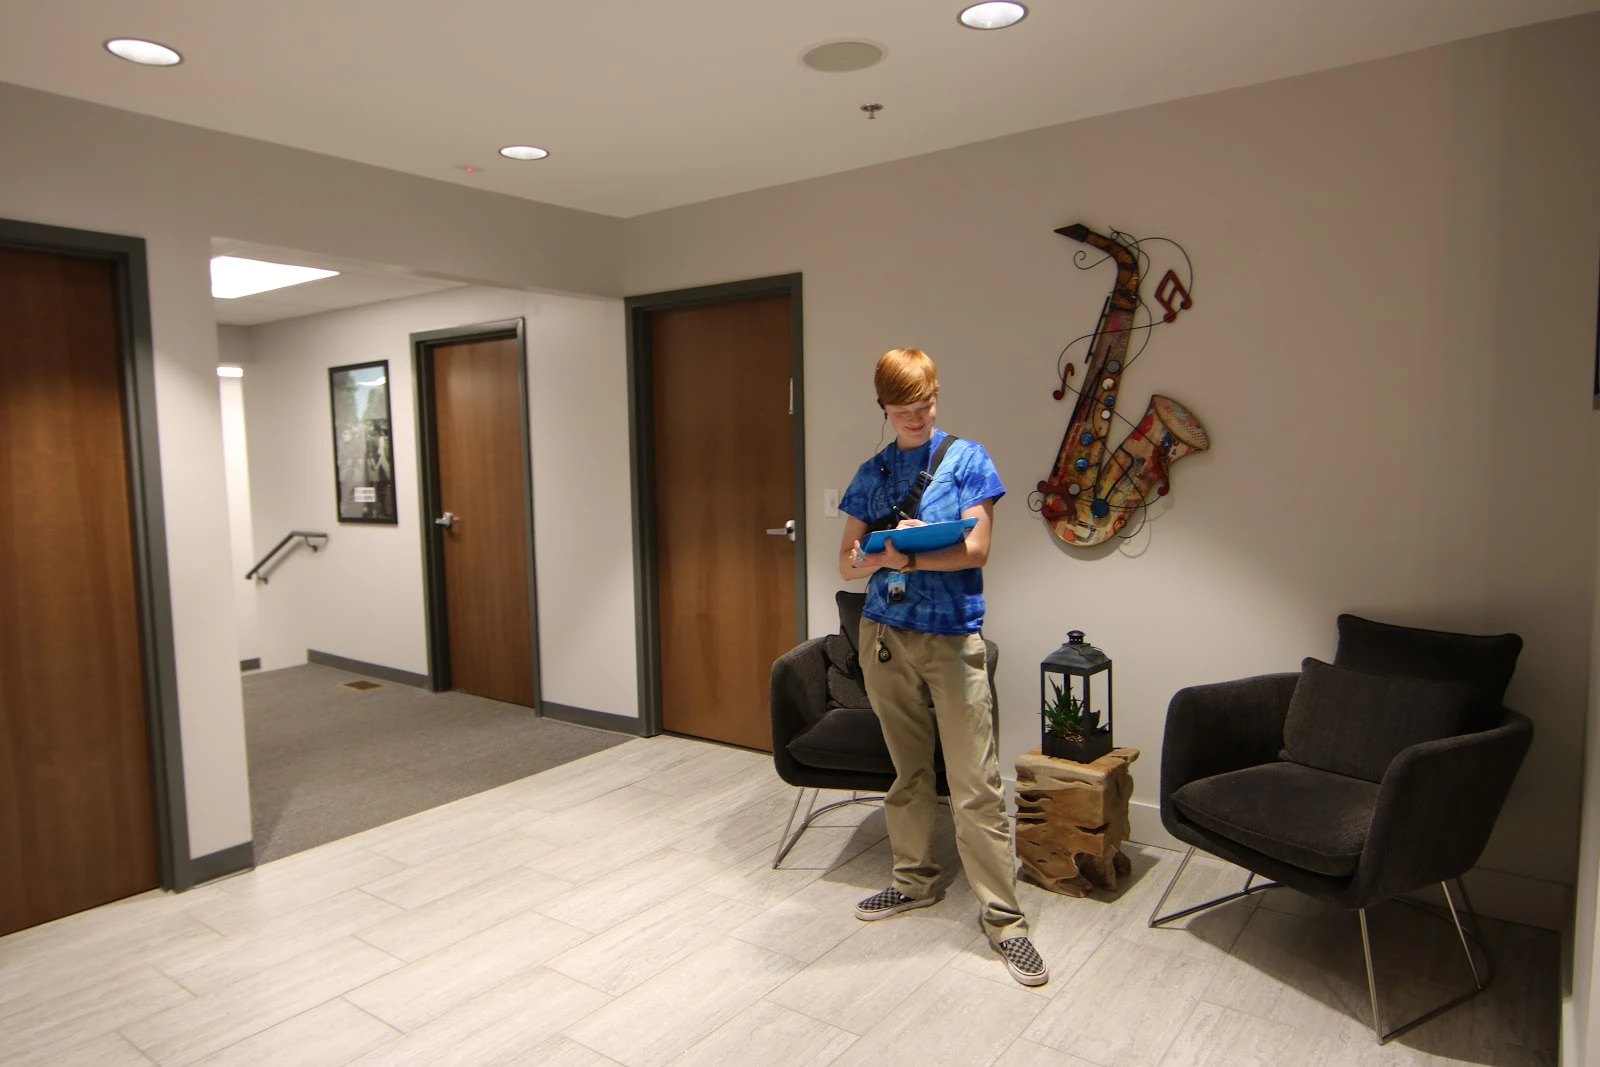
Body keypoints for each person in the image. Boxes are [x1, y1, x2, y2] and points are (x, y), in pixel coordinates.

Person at [836, 347, 1047, 987]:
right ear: (883, 408)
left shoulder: (967, 459)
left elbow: (976, 548)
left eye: (924, 404)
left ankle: (1005, 921)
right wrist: (878, 554)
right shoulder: (871, 472)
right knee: (908, 772)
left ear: (936, 395)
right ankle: (913, 882)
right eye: (902, 408)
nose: (916, 417)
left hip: (952, 638)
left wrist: (906, 556)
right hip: (884, 636)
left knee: (975, 781)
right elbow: (846, 562)